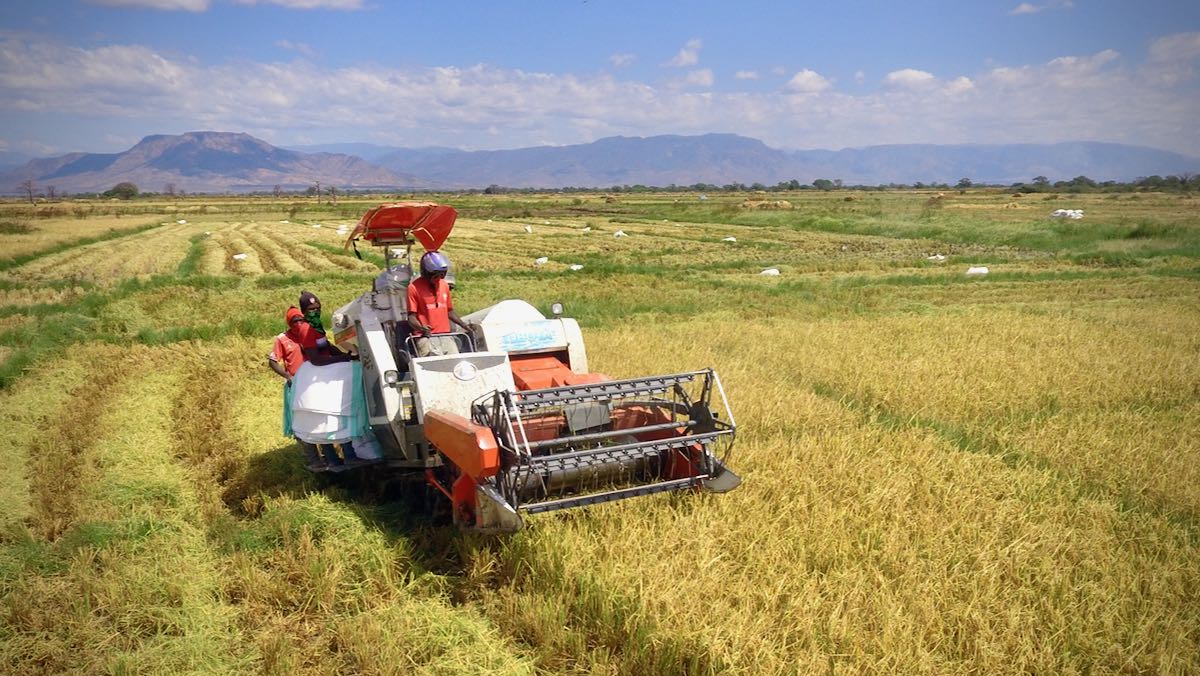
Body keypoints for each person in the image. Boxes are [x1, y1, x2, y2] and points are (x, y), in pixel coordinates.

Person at [293, 290, 362, 468]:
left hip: (328, 372)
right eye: (311, 309)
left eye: (318, 308)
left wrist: (346, 354)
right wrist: (342, 359)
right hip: (317, 375)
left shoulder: (316, 326)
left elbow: (327, 346)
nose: (315, 311)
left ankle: (348, 455)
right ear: (303, 310)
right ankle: (333, 458)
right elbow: (316, 358)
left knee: (338, 415)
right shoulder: (306, 329)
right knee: (324, 419)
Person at [267, 306, 324, 469]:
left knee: (319, 419)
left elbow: (324, 350)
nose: (298, 323)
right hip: (296, 386)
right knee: (301, 423)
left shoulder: (309, 333)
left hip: (314, 384)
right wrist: (287, 376)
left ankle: (328, 454)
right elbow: (272, 361)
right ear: (289, 323)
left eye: (300, 320)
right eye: (294, 321)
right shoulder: (282, 339)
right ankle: (313, 459)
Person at [406, 251, 475, 357]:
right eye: (436, 275)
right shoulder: (413, 288)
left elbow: (449, 311)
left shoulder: (444, 285)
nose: (440, 278)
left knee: (456, 363)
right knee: (430, 366)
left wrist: (464, 325)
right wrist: (421, 328)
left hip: (446, 335)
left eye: (443, 274)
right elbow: (411, 317)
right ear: (427, 273)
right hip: (425, 338)